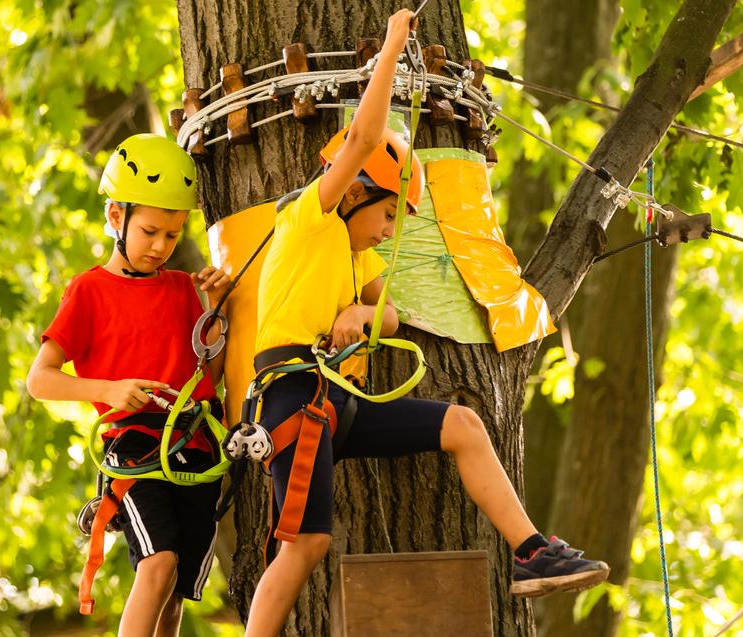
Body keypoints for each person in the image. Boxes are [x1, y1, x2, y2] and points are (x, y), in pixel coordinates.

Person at [243, 9, 609, 635]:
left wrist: (362, 311)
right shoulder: (310, 222)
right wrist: (391, 47)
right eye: (389, 215)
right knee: (305, 546)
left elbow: (388, 311)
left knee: (463, 425)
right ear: (355, 190)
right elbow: (363, 138)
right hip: (295, 398)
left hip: (340, 402)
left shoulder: (356, 256)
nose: (389, 231)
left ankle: (530, 553)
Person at [27, 133, 230, 637]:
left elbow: (213, 377)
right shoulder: (90, 291)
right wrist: (112, 390)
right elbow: (40, 379)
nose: (161, 247)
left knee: (175, 584)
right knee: (157, 563)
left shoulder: (185, 288)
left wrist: (219, 312)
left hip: (196, 444)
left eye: (172, 234)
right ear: (116, 218)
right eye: (149, 231)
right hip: (135, 443)